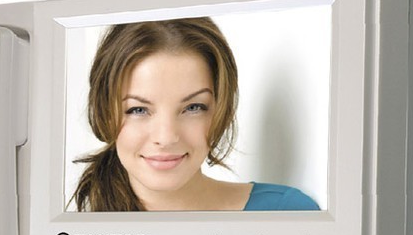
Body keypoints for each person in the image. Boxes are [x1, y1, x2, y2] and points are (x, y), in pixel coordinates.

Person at [72, 17, 319, 212]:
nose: (166, 137)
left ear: (220, 109)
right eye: (138, 110)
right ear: (104, 111)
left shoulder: (286, 213)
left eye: (193, 108)